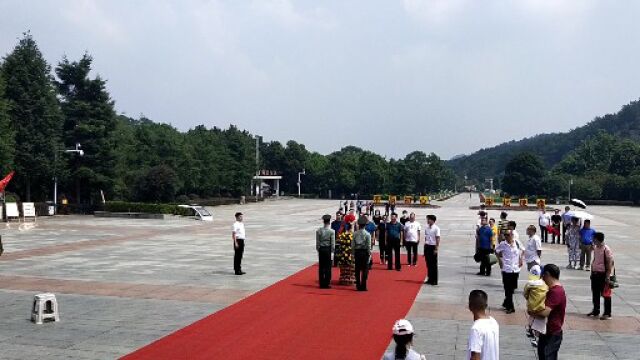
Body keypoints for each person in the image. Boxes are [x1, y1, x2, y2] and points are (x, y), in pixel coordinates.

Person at [529, 264, 567, 360]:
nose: (542, 278)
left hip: (552, 334)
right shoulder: (553, 289)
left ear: (547, 274)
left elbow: (544, 313)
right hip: (547, 332)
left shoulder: (556, 291)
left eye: (543, 276)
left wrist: (531, 312)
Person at [496, 229, 524, 314]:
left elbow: (523, 250)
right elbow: (496, 251)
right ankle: (510, 307)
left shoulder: (517, 243)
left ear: (512, 235)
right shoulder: (503, 244)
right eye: (505, 235)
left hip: (515, 269)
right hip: (506, 268)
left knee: (512, 288)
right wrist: (500, 260)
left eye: (508, 234)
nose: (507, 236)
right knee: (507, 288)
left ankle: (506, 302)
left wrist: (521, 259)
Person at [466, 289, 500, 360]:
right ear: (486, 306)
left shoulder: (476, 328)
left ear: (470, 306)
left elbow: (475, 357)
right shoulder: (493, 322)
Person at [588, 232, 614, 320]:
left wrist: (607, 276)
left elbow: (609, 263)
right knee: (595, 293)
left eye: (594, 239)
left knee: (606, 294)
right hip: (595, 274)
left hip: (603, 275)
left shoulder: (606, 249)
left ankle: (607, 313)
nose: (593, 240)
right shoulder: (596, 248)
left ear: (598, 239)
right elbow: (595, 259)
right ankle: (596, 310)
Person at [523, 265, 548, 347]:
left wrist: (529, 299)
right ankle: (536, 337)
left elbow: (525, 294)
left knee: (532, 318)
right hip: (540, 307)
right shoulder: (544, 285)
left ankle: (530, 329)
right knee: (540, 323)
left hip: (531, 306)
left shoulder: (529, 284)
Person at [352, 216, 372, 291]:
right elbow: (369, 246)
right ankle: (363, 285)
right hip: (364, 252)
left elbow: (353, 245)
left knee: (357, 269)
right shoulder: (367, 234)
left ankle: (358, 285)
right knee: (365, 269)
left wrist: (353, 254)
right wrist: (369, 254)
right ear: (365, 225)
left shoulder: (355, 233)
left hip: (357, 252)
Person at [316, 214, 335, 289]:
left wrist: (318, 250)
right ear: (329, 222)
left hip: (321, 249)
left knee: (321, 267)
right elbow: (333, 243)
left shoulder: (319, 230)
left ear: (323, 221)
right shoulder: (332, 231)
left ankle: (321, 283)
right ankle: (326, 283)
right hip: (328, 249)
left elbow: (317, 243)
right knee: (328, 267)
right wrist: (332, 252)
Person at [337, 216, 355, 285]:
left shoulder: (342, 229)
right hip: (349, 251)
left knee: (344, 265)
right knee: (350, 265)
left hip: (343, 250)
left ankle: (344, 278)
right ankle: (350, 279)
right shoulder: (349, 230)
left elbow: (338, 237)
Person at [423, 214, 441, 285]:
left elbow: (438, 238)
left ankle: (434, 280)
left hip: (433, 246)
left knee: (433, 264)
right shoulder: (427, 228)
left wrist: (436, 249)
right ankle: (430, 278)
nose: (427, 220)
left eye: (428, 219)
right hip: (427, 246)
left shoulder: (436, 228)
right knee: (428, 264)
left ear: (432, 220)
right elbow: (426, 237)